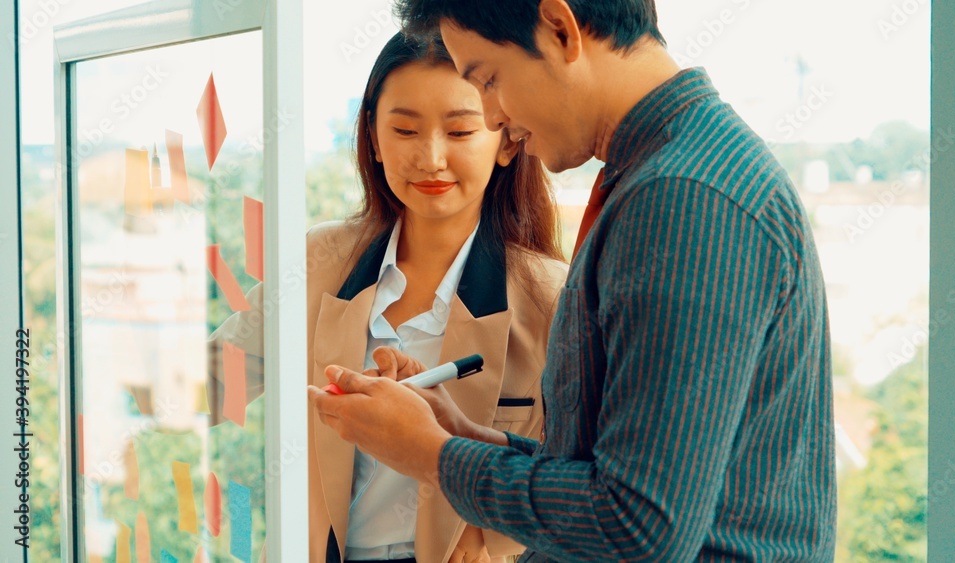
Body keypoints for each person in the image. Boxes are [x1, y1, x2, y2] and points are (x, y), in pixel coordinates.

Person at [309, 0, 837, 561]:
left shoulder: (684, 198)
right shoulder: (664, 175)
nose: (492, 117)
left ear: (560, 29)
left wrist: (432, 454)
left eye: (489, 80)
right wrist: (458, 436)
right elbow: (611, 479)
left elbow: (640, 529)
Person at [212, 32, 567, 563]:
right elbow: (216, 382)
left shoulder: (551, 296)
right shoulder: (318, 260)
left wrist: (489, 534)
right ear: (374, 140)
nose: (430, 157)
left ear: (507, 140)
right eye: (404, 129)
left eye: (460, 130)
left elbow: (573, 482)